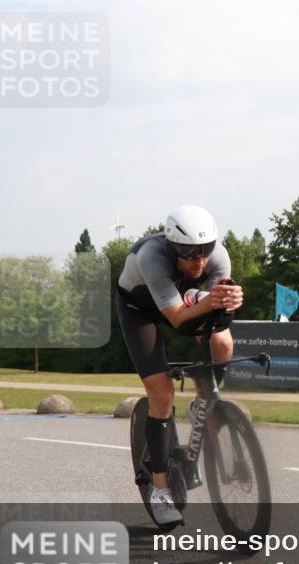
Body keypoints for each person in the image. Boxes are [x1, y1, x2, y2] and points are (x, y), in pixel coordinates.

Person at [116, 205, 243, 527]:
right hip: (140, 309)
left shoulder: (220, 258)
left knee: (224, 343)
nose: (198, 260)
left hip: (184, 302)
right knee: (162, 394)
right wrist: (209, 301)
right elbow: (175, 318)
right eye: (188, 254)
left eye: (205, 251)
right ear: (173, 247)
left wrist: (229, 303)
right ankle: (160, 491)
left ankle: (206, 403)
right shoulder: (151, 256)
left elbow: (210, 312)